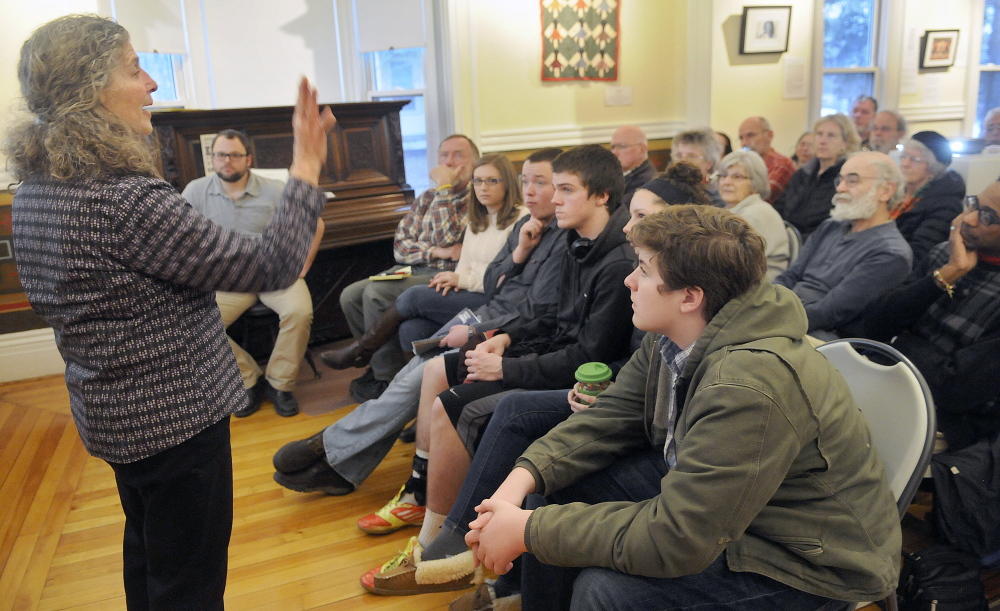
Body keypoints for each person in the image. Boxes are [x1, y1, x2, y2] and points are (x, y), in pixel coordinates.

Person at [7, 15, 335, 610]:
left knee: (151, 556)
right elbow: (274, 264)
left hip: (111, 414)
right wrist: (307, 162)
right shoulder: (124, 199)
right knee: (191, 584)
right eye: (135, 69)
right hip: (175, 423)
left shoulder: (34, 191)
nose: (152, 83)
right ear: (91, 89)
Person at [465, 206, 901, 611]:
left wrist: (527, 531)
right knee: (558, 488)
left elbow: (678, 538)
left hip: (811, 562)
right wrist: (516, 486)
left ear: (690, 296)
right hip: (743, 513)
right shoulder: (676, 331)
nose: (629, 282)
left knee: (604, 591)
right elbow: (608, 417)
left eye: (642, 270)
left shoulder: (748, 384)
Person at [356, 163, 708, 598]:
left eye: (561, 187)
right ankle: (445, 532)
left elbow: (595, 356)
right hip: (566, 363)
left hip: (585, 378)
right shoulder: (576, 244)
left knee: (502, 410)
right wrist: (502, 336)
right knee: (437, 369)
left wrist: (508, 366)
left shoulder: (623, 264)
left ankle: (465, 551)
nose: (551, 198)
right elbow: (530, 305)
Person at [271, 148, 568, 497]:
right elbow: (492, 283)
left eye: (541, 183)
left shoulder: (562, 238)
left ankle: (331, 447)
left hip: (499, 330)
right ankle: (338, 460)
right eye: (526, 182)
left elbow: (535, 312)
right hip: (484, 313)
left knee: (416, 374)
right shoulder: (526, 225)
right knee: (410, 369)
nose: (530, 191)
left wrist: (475, 331)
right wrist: (519, 253)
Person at [320, 135, 477, 401]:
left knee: (376, 294)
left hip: (443, 275)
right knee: (350, 295)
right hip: (411, 267)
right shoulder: (427, 197)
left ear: (474, 162)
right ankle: (374, 363)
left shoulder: (475, 198)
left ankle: (386, 379)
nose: (449, 162)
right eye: (444, 155)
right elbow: (401, 244)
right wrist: (435, 251)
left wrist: (444, 189)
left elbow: (448, 235)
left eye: (458, 155)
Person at [182, 129, 325, 418]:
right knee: (195, 322)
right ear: (213, 159)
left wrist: (303, 265)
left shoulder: (274, 188)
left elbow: (316, 224)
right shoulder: (195, 190)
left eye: (234, 155)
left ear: (248, 158)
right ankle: (249, 379)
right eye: (220, 155)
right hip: (229, 278)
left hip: (276, 271)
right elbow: (182, 235)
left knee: (299, 312)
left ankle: (279, 384)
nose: (227, 162)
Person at [328, 153, 526, 360]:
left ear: (507, 184)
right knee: (411, 329)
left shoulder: (520, 219)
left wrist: (461, 280)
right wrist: (454, 281)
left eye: (492, 181)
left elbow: (505, 280)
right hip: (468, 290)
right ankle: (407, 385)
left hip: (492, 298)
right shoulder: (478, 219)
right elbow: (463, 264)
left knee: (414, 296)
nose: (483, 187)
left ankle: (362, 349)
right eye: (478, 181)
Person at [866, 181, 1000, 451]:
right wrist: (947, 273)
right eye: (974, 204)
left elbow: (954, 388)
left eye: (988, 216)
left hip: (945, 419)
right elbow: (872, 325)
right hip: (889, 379)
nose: (970, 218)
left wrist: (898, 341)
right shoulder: (946, 253)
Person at [775, 151, 913, 340]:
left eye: (852, 181)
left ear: (886, 191)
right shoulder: (830, 226)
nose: (840, 188)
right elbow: (791, 275)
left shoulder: (891, 253)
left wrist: (774, 319)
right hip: (788, 315)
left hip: (821, 335)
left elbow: (830, 312)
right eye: (839, 180)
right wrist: (765, 302)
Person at [775, 113, 861, 238]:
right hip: (786, 239)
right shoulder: (802, 173)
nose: (823, 141)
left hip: (820, 245)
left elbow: (838, 224)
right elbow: (780, 207)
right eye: (819, 134)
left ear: (845, 143)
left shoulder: (845, 180)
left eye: (831, 135)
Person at [894, 131, 966, 266]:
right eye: (904, 156)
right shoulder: (894, 192)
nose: (905, 164)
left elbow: (918, 255)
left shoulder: (946, 205)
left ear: (933, 169)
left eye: (915, 159)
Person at [716, 150, 791, 279]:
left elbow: (727, 264)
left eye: (737, 177)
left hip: (761, 283)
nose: (726, 182)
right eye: (723, 175)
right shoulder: (735, 210)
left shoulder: (753, 215)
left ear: (755, 184)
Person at [737, 116, 796, 203]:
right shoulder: (743, 164)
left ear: (769, 135)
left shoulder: (781, 163)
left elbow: (763, 196)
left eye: (751, 135)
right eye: (741, 138)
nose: (744, 143)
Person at [670, 127, 725, 207]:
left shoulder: (716, 200)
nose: (682, 161)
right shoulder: (665, 189)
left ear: (709, 163)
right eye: (679, 155)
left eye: (691, 156)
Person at [609, 125, 655, 208]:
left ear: (641, 149)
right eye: (613, 147)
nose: (614, 152)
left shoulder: (646, 182)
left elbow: (618, 210)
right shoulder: (618, 174)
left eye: (622, 146)